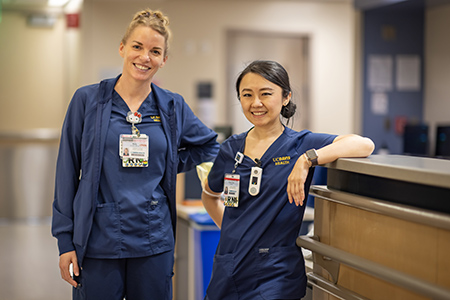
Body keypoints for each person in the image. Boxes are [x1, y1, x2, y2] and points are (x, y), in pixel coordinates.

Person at [51, 9, 219, 300]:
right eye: (137, 47)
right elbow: (67, 171)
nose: (145, 57)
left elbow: (209, 146)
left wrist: (169, 164)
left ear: (164, 60)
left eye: (155, 51)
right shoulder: (87, 101)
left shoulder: (171, 106)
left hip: (153, 240)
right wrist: (65, 242)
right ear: (122, 48)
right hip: (97, 240)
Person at [201, 60, 374, 300]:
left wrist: (307, 160)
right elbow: (210, 195)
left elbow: (363, 144)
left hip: (275, 274)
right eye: (247, 95)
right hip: (228, 269)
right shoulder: (231, 148)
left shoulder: (300, 144)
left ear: (285, 98)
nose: (256, 103)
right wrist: (233, 235)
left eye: (266, 94)